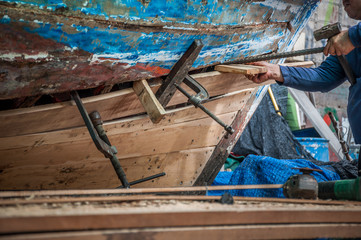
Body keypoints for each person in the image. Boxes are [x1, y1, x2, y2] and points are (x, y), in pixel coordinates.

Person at [248, 0, 361, 144]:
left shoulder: (353, 37)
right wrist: (276, 71)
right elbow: (323, 78)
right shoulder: (351, 46)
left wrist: (353, 36)